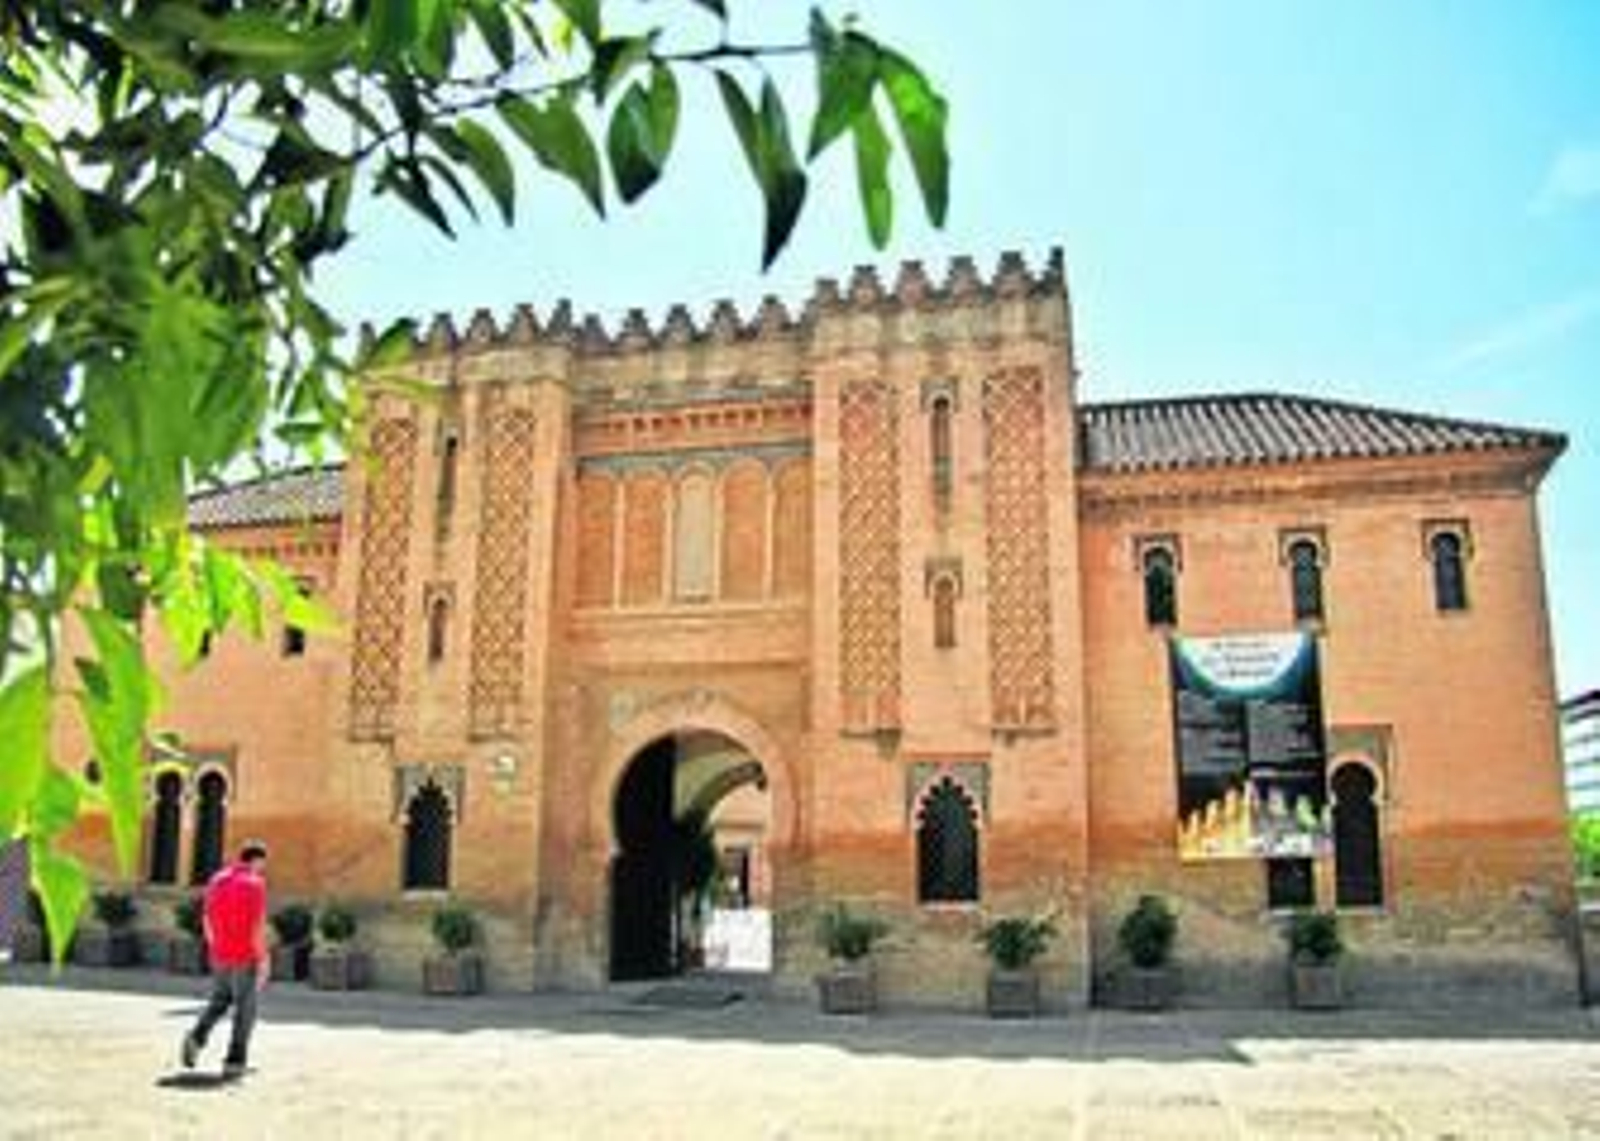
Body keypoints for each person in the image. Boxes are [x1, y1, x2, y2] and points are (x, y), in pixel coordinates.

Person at [181, 840, 269, 1078]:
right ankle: (235, 1060)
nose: (262, 869)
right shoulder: (255, 884)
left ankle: (197, 1037)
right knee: (245, 1009)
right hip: (245, 954)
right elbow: (257, 927)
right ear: (257, 860)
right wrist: (263, 959)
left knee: (219, 1001)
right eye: (262, 864)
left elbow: (207, 920)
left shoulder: (216, 880)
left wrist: (215, 947)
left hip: (219, 952)